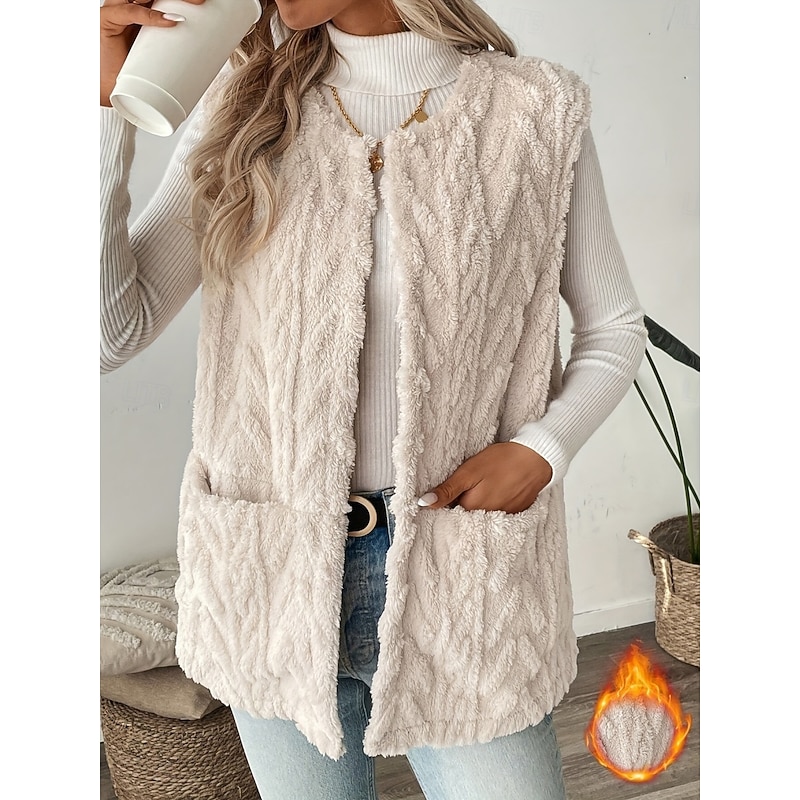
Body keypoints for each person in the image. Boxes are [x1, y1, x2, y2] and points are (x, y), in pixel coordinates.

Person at [100, 1, 648, 797]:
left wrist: (542, 450)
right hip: (273, 578)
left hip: (462, 578)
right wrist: (99, 110)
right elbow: (108, 334)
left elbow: (614, 326)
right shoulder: (244, 105)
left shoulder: (535, 111)